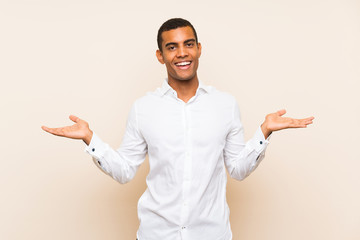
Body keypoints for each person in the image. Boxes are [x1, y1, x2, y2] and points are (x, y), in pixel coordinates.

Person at [42, 18, 314, 240]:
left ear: (199, 49)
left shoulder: (225, 105)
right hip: (156, 234)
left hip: (212, 234)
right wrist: (90, 139)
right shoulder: (143, 108)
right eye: (172, 47)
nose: (182, 53)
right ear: (160, 56)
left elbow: (238, 170)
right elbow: (125, 171)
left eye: (188, 44)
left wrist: (263, 132)